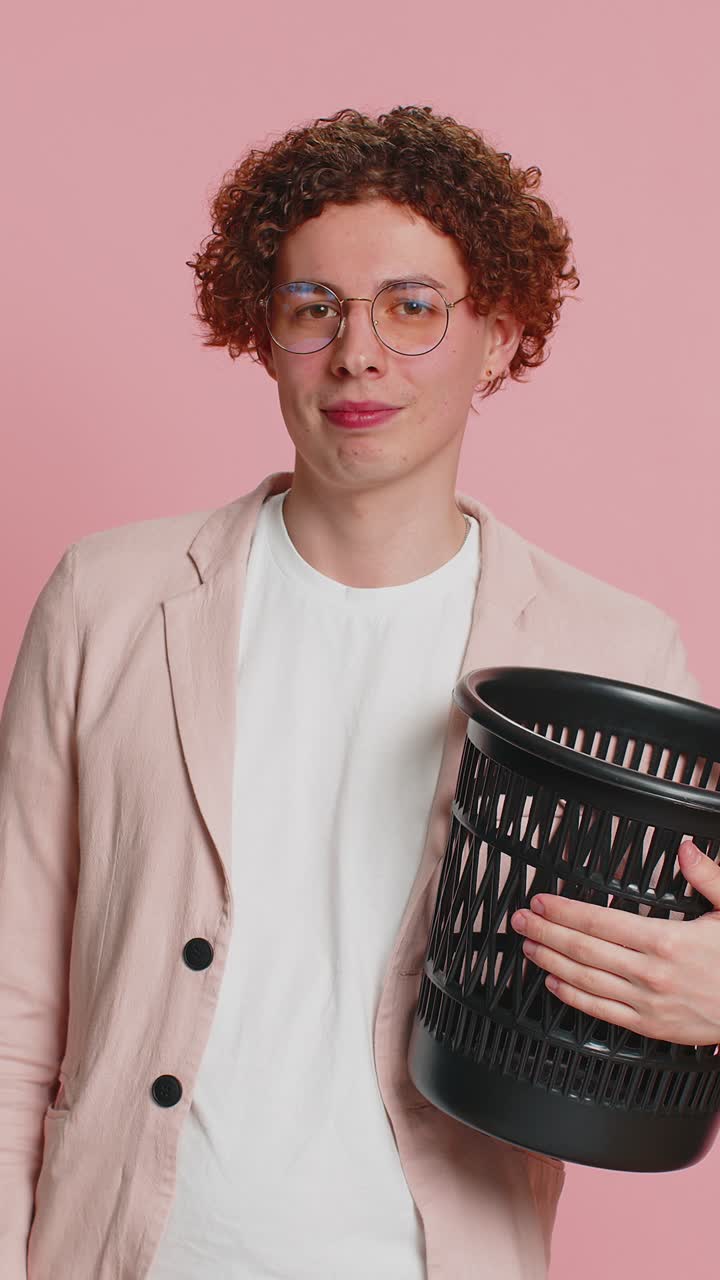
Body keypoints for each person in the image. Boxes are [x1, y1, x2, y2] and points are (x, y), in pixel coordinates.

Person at [0, 104, 701, 1280]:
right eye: (313, 306)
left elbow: (658, 1002)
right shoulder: (108, 601)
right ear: (264, 332)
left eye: (414, 307)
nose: (359, 352)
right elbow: (12, 1000)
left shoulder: (617, 651)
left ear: (499, 333)